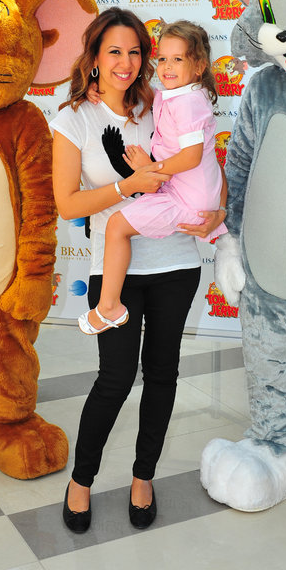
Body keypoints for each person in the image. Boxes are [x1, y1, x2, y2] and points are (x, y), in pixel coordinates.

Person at [50, 8, 226, 532]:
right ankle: (81, 480)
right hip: (116, 271)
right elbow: (68, 203)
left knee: (163, 375)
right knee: (115, 378)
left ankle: (143, 476)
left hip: (176, 263)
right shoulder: (74, 118)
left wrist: (218, 212)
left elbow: (205, 162)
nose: (126, 62)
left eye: (134, 52)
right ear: (94, 58)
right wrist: (128, 185)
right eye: (114, 51)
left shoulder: (165, 100)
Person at [79, 20, 227, 335]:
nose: (167, 67)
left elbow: (192, 157)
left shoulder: (187, 103)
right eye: (162, 59)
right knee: (118, 226)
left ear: (199, 66)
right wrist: (96, 85)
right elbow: (147, 94)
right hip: (184, 193)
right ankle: (110, 305)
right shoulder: (177, 94)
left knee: (116, 226)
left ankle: (108, 307)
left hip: (187, 201)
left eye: (178, 59)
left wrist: (150, 168)